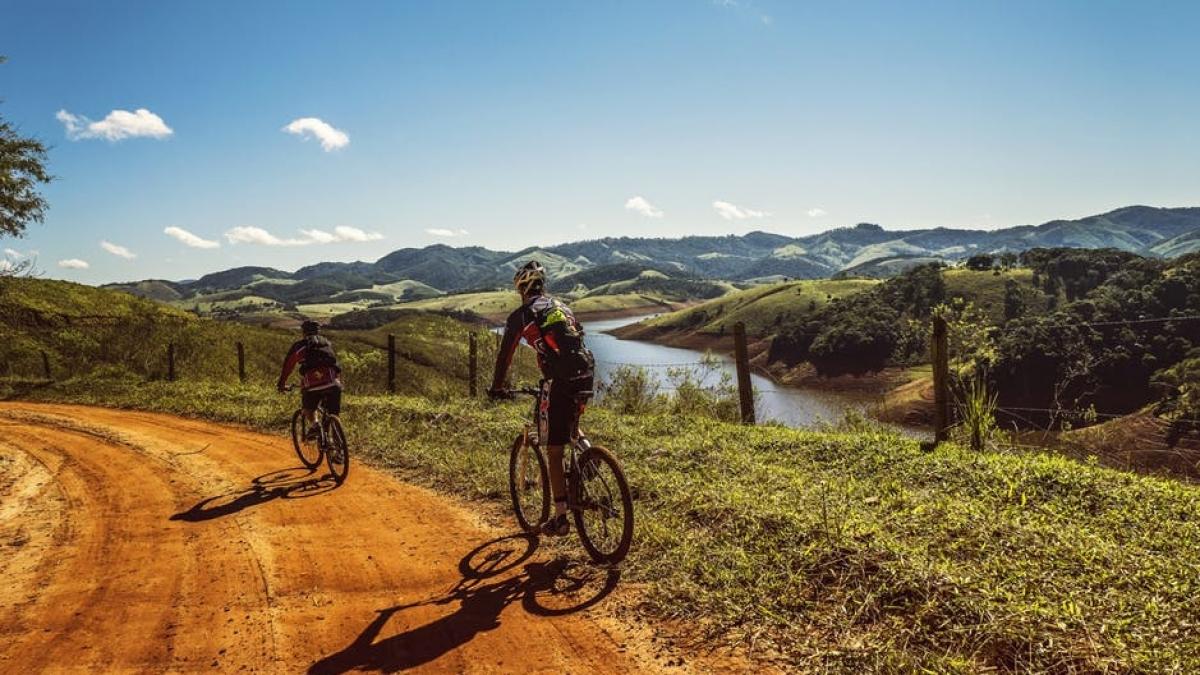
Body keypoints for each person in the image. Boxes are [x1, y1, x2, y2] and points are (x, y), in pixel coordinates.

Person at [490, 261, 595, 536]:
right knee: (570, 424)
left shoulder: (522, 316)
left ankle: (560, 519)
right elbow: (579, 337)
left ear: (521, 289)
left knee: (554, 449)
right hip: (585, 373)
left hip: (558, 381)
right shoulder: (561, 306)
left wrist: (497, 387)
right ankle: (591, 454)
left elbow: (505, 356)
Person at [277, 320, 343, 440]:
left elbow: (288, 366)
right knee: (334, 414)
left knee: (309, 408)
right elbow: (335, 365)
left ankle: (315, 426)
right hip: (333, 383)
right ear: (318, 331)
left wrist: (281, 384)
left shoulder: (300, 346)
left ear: (303, 332)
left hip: (312, 385)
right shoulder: (327, 343)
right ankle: (339, 451)